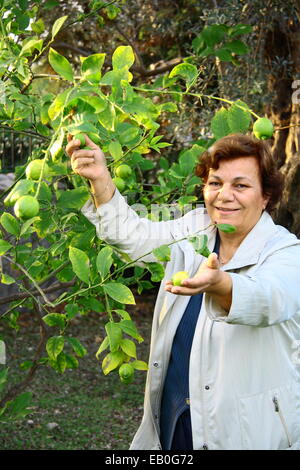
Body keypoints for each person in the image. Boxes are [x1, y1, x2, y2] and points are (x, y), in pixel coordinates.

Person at [66, 132, 300, 450]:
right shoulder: (194, 228)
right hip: (176, 421)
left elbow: (271, 299)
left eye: (241, 186)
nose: (224, 196)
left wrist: (223, 286)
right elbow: (135, 238)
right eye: (215, 183)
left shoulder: (286, 252)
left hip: (245, 433)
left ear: (266, 196)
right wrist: (101, 180)